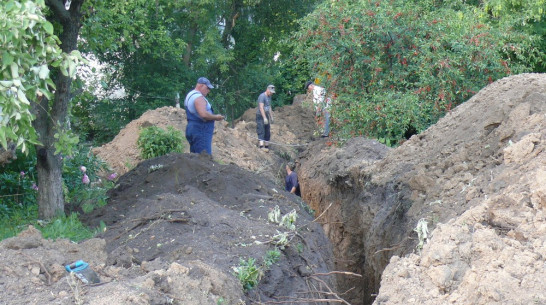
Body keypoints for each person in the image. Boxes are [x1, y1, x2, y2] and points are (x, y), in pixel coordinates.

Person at [184, 77, 224, 154]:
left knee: (195, 158)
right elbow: (203, 114)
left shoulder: (190, 95)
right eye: (207, 88)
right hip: (201, 130)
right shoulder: (198, 97)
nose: (208, 91)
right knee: (204, 158)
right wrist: (216, 117)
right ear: (201, 85)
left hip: (193, 128)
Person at [256, 84, 275, 152]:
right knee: (261, 129)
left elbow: (269, 107)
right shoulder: (262, 96)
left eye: (272, 92)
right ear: (267, 90)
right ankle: (261, 146)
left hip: (266, 115)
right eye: (270, 92)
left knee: (267, 130)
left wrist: (271, 117)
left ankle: (266, 146)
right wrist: (264, 118)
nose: (271, 93)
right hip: (260, 115)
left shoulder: (269, 97)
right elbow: (261, 108)